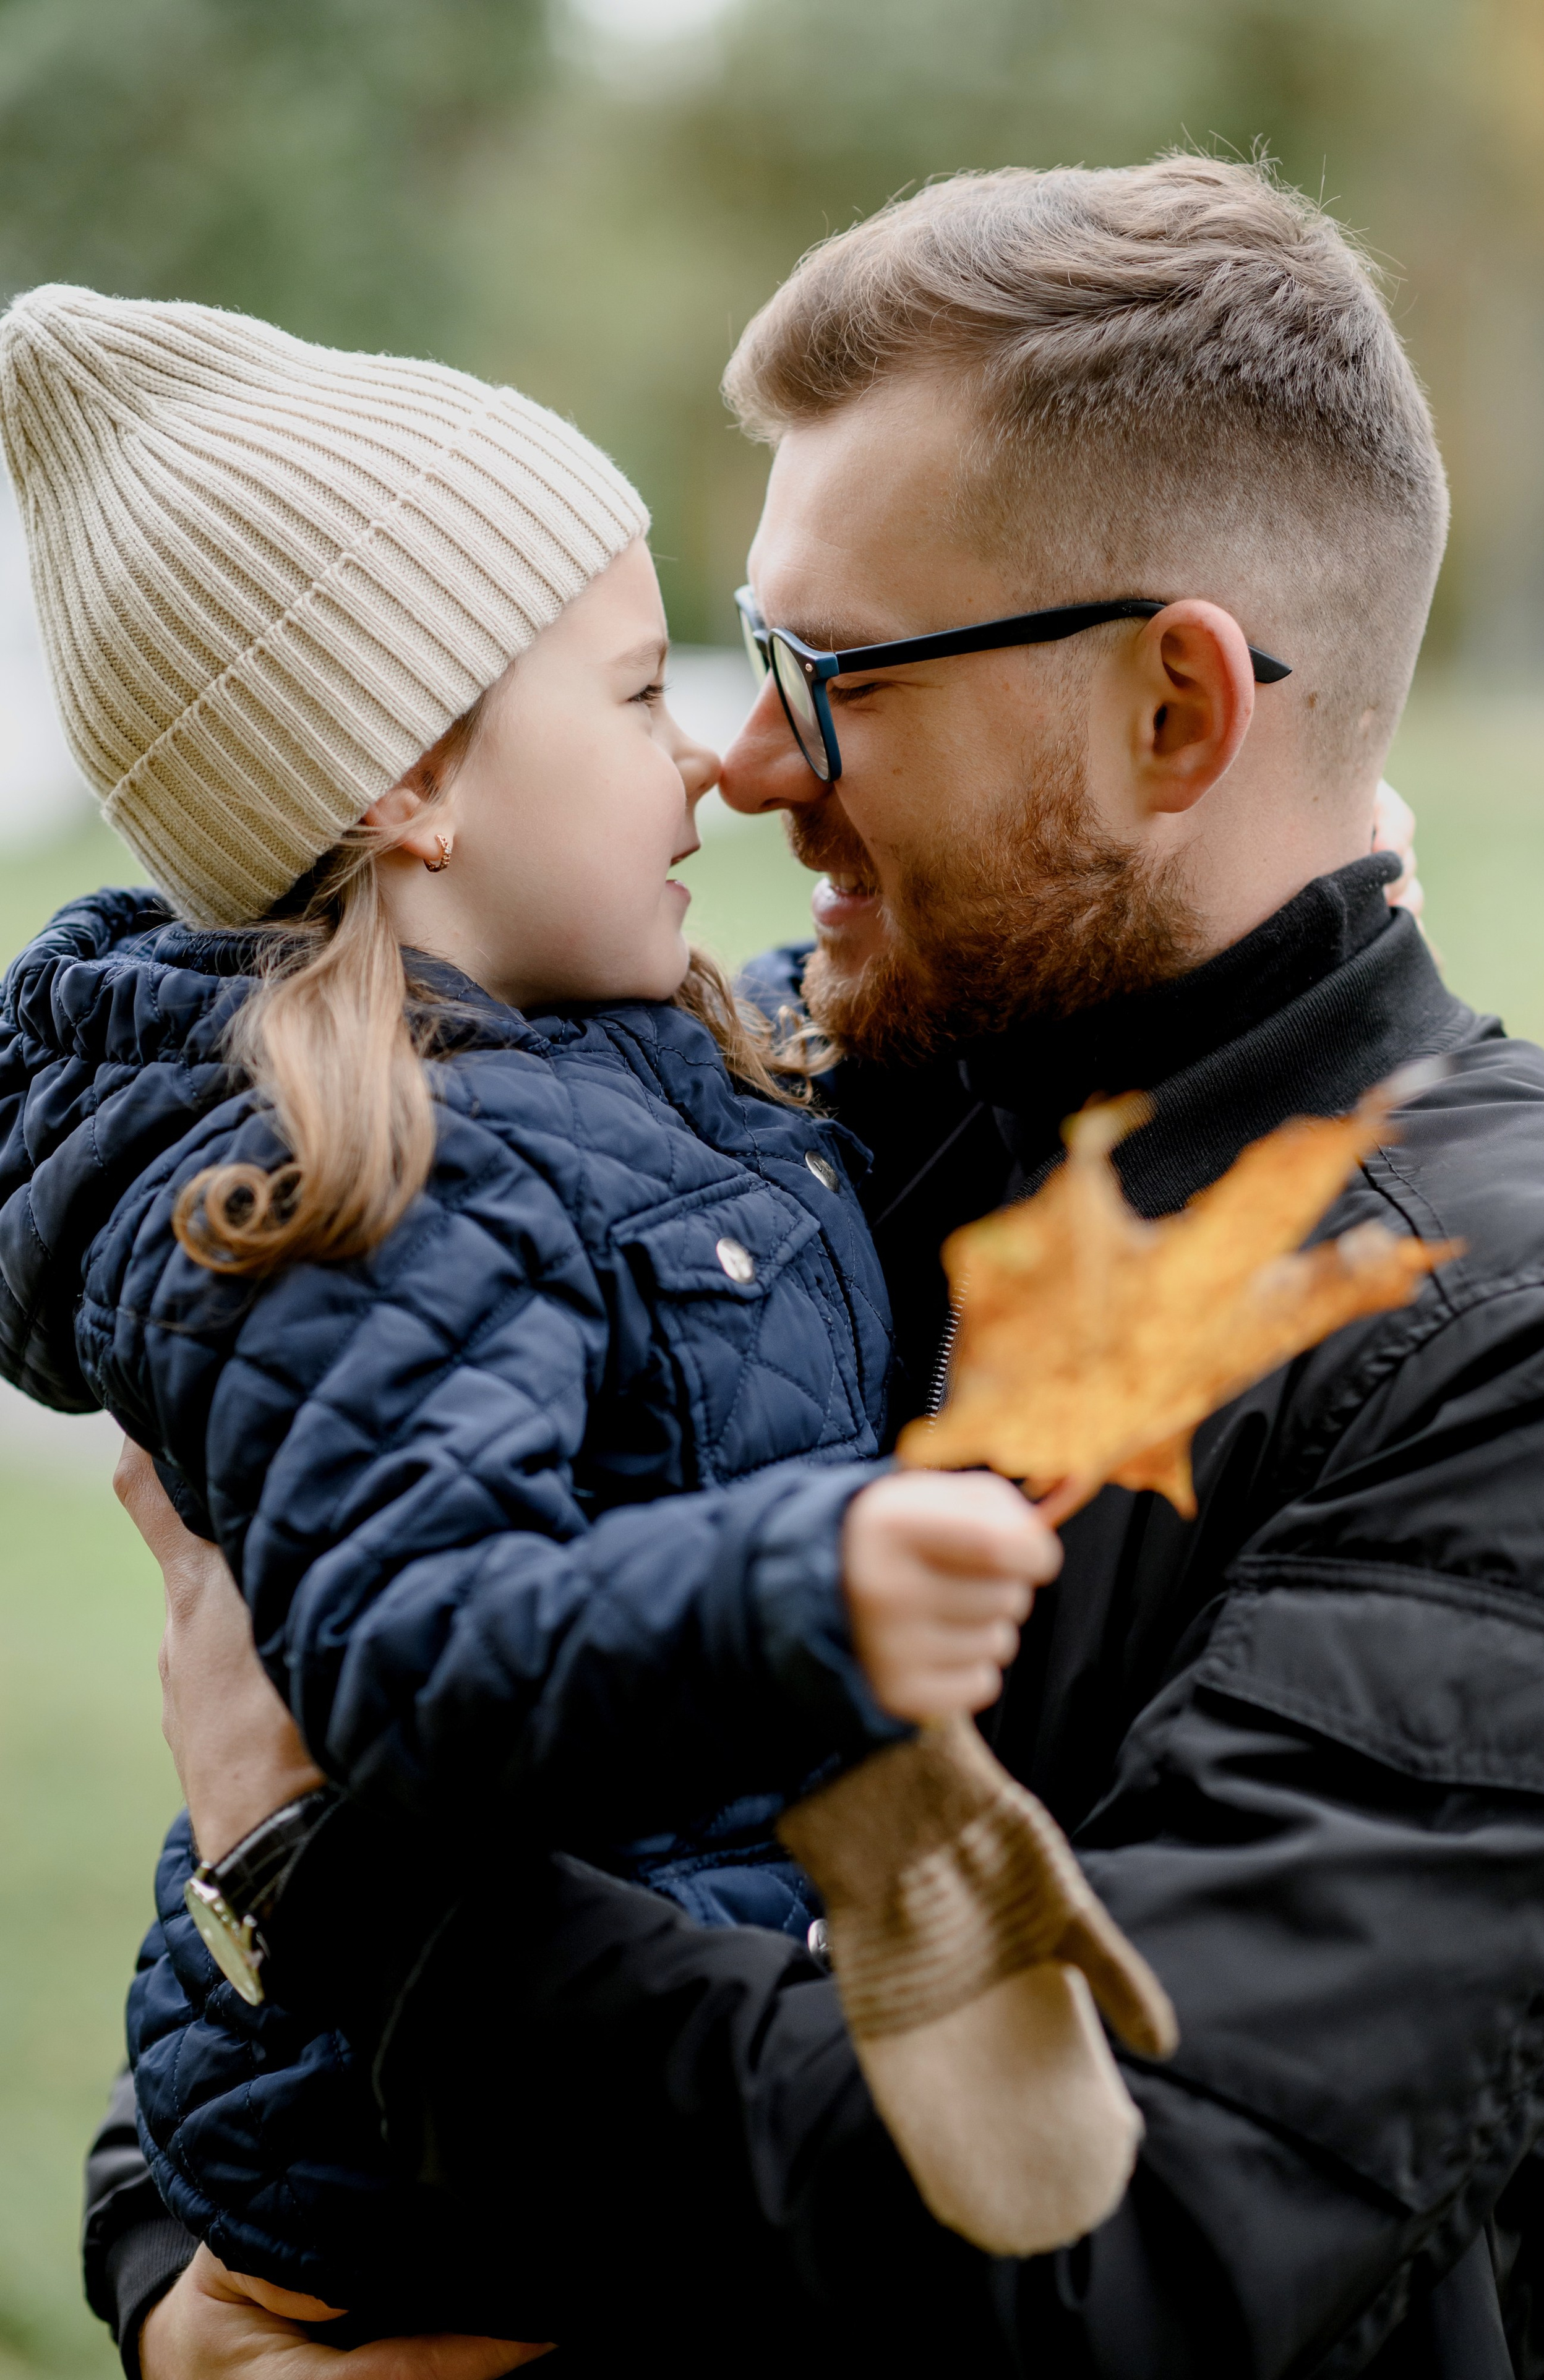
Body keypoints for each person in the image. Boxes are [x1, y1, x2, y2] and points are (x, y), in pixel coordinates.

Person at [91, 153, 1544, 2376]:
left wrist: (332, 1877)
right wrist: (183, 2307)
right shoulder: (728, 1120)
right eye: (742, 645)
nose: (746, 756)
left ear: (1177, 715)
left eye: (837, 673)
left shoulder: (1508, 1350)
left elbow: (1127, 2252)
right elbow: (254, 1917)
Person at [0, 284, 1071, 2345]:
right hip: (463, 2178)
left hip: (584, 2068)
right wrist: (802, 1581)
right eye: (631, 692)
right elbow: (421, 1650)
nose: (708, 759)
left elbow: (726, 1148)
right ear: (413, 782)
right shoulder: (355, 1191)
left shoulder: (552, 1067)